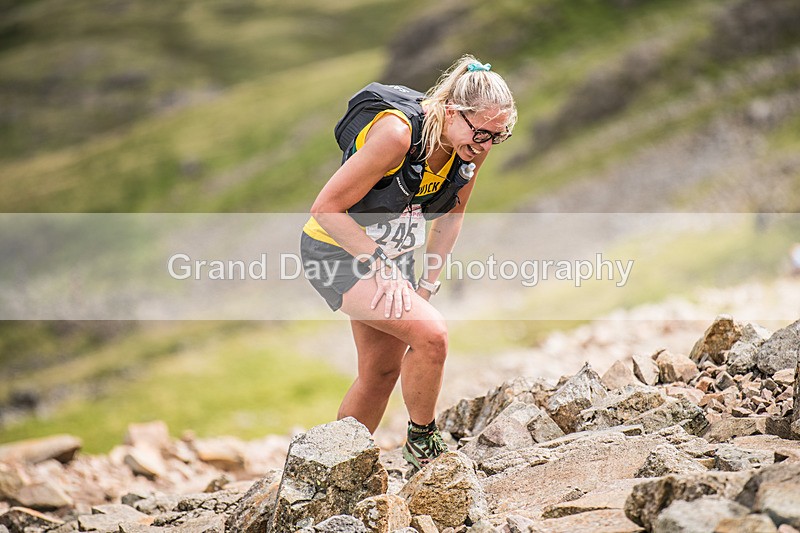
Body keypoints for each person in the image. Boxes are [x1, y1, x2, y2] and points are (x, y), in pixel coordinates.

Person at [300, 54, 517, 471]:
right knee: (432, 335)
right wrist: (381, 265)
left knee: (380, 374)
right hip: (335, 251)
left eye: (498, 137)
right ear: (453, 111)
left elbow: (453, 214)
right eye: (482, 133)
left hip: (394, 255)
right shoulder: (397, 135)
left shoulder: (469, 146)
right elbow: (325, 208)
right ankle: (422, 442)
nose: (487, 145)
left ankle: (334, 470)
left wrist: (428, 284)